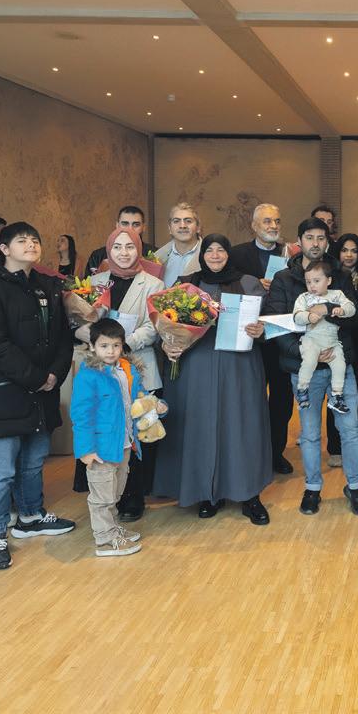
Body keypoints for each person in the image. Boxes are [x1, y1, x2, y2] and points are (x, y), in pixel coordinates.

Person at [0, 221, 76, 571]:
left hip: (42, 391)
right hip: (3, 392)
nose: (30, 244)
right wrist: (36, 377)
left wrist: (55, 375)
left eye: (35, 239)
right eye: (21, 240)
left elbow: (63, 338)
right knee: (0, 469)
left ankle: (30, 515)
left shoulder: (47, 286)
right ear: (4, 249)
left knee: (33, 460)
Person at [153, 234, 273, 524]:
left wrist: (262, 329)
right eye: (210, 250)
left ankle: (250, 495)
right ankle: (205, 493)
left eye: (221, 250)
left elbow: (270, 320)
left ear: (229, 254)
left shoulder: (248, 283)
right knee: (200, 426)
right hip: (197, 366)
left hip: (240, 367)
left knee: (241, 426)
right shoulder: (186, 284)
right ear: (202, 254)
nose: (215, 255)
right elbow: (164, 325)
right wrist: (168, 343)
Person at [264, 220, 358, 516]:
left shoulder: (340, 276)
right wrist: (300, 351)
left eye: (321, 238)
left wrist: (328, 310)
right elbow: (275, 323)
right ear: (299, 240)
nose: (315, 243)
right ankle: (312, 488)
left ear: (327, 242)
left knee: (350, 430)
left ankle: (356, 486)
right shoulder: (284, 279)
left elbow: (356, 317)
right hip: (305, 366)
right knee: (310, 434)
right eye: (309, 237)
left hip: (339, 362)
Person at [70, 226, 164, 522]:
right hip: (99, 368)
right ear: (108, 250)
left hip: (138, 363)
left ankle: (134, 497)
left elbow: (154, 326)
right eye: (117, 247)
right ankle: (105, 498)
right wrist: (101, 344)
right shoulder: (95, 282)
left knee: (136, 433)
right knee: (105, 430)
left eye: (130, 246)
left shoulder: (154, 283)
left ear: (139, 249)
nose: (124, 253)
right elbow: (77, 322)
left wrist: (122, 345)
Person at [70, 318, 146, 558]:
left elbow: (138, 398)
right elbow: (81, 415)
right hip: (101, 449)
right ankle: (104, 539)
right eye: (104, 346)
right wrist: (85, 450)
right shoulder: (89, 376)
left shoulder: (127, 370)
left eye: (116, 345)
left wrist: (154, 406)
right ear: (92, 346)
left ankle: (112, 529)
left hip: (123, 444)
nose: (111, 351)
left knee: (115, 493)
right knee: (101, 497)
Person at [230, 202, 295, 475]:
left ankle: (275, 453)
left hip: (280, 337)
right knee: (250, 398)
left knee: (282, 399)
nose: (273, 226)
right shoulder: (237, 254)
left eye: (277, 221)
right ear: (254, 225)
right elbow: (229, 285)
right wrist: (254, 282)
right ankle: (249, 453)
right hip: (249, 337)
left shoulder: (291, 254)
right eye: (267, 221)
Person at [325, 233, 358, 465]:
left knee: (357, 393)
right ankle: (335, 447)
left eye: (354, 251)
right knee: (335, 391)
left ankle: (354, 443)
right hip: (336, 339)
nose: (349, 255)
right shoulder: (329, 278)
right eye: (344, 250)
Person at [292, 260, 354, 413]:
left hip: (332, 341)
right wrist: (308, 317)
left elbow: (352, 308)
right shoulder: (304, 297)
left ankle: (337, 396)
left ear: (329, 281)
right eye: (308, 282)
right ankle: (302, 390)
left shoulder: (337, 295)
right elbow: (296, 316)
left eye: (316, 281)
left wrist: (342, 310)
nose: (312, 286)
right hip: (311, 339)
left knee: (340, 364)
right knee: (309, 360)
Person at [84, 206, 156, 276]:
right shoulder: (98, 256)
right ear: (117, 225)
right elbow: (88, 283)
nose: (130, 229)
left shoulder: (156, 253)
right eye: (125, 224)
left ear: (144, 227)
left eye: (136, 225)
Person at [154, 202, 202, 287]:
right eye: (176, 221)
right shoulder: (157, 259)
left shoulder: (211, 258)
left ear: (198, 227)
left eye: (188, 221)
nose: (182, 226)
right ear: (169, 228)